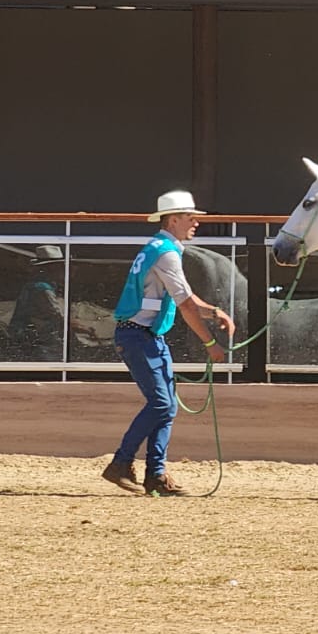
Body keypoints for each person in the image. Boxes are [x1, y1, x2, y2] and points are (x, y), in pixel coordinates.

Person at [102, 191, 235, 498]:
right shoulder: (167, 253)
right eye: (191, 218)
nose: (197, 223)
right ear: (174, 219)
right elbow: (186, 305)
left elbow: (186, 298)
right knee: (162, 404)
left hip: (143, 336)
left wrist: (214, 312)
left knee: (166, 405)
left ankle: (154, 474)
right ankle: (124, 464)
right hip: (140, 337)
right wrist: (211, 342)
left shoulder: (158, 248)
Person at [8, 244, 65, 361]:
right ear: (51, 268)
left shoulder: (39, 284)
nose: (63, 269)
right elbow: (56, 315)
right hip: (33, 337)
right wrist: (81, 326)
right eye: (60, 267)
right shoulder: (42, 288)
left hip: (33, 335)